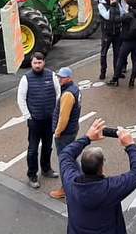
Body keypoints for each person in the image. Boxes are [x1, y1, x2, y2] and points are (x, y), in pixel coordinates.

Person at [60, 118, 136, 234]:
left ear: (82, 165)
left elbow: (65, 155)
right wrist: (130, 145)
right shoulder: (111, 188)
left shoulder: (70, 183)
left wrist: (87, 138)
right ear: (101, 167)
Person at [17, 52, 60, 189]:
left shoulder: (51, 75)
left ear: (44, 63)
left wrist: (55, 113)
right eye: (35, 63)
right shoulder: (26, 79)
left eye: (39, 63)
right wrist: (28, 116)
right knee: (33, 150)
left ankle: (46, 169)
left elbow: (58, 94)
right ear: (31, 63)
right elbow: (21, 99)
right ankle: (32, 175)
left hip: (49, 120)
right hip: (34, 121)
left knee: (48, 146)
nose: (37, 65)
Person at [49, 66, 82, 200]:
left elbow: (64, 117)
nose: (59, 79)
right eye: (59, 77)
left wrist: (57, 132)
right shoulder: (74, 89)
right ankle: (81, 180)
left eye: (61, 77)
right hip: (72, 129)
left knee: (65, 161)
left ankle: (65, 189)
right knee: (72, 157)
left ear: (68, 78)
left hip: (65, 133)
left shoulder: (68, 94)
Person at [109, 0, 136, 88]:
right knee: (135, 61)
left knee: (121, 59)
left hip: (127, 41)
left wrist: (112, 6)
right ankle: (132, 80)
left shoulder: (127, 16)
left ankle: (115, 79)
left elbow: (114, 20)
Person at [97, 0, 123, 82]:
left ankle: (117, 72)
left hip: (117, 32)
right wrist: (112, 6)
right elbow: (107, 16)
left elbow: (122, 13)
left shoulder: (117, 3)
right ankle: (103, 71)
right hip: (107, 33)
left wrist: (118, 4)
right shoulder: (101, 5)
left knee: (118, 53)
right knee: (104, 53)